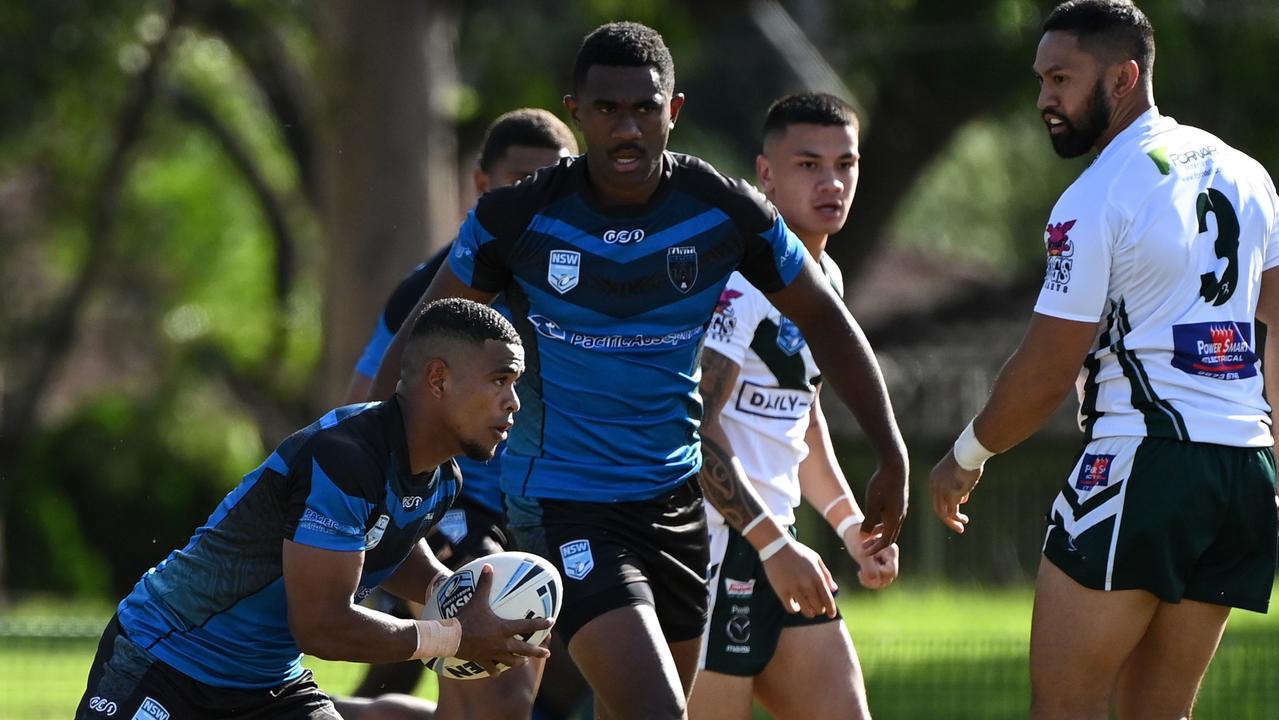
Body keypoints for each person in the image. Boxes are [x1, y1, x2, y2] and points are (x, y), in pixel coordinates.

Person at [368, 22, 909, 720]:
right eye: (606, 110)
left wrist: (890, 451)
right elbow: (419, 343)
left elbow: (826, 320)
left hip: (673, 503)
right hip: (562, 505)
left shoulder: (722, 211)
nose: (626, 127)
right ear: (576, 112)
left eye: (643, 108)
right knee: (657, 712)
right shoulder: (519, 217)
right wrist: (369, 473)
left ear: (672, 111)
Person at [928, 2, 1279, 719]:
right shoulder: (1250, 176)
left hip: (1146, 464)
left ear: (1122, 78)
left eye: (1060, 79)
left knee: (1063, 708)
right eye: (1040, 80)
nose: (1043, 101)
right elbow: (1274, 328)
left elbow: (1046, 372)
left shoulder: (1094, 197)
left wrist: (963, 456)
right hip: (1243, 470)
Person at [75, 299, 550, 720]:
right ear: (438, 379)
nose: (513, 403)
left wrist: (445, 588)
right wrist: (451, 636)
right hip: (167, 656)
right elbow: (321, 626)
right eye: (500, 380)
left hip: (268, 685)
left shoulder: (444, 478)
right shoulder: (345, 458)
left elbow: (390, 546)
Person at [337, 109, 589, 720]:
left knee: (545, 700)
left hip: (561, 515)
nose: (536, 198)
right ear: (481, 185)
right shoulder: (434, 285)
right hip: (458, 517)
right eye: (520, 181)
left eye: (552, 182)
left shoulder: (587, 277)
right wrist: (410, 512)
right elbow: (363, 402)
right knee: (493, 699)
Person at [689, 93, 900, 720]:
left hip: (778, 549)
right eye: (808, 164)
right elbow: (691, 432)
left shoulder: (823, 279)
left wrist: (850, 528)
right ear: (766, 173)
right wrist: (770, 545)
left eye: (845, 163)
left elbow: (801, 419)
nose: (832, 181)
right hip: (713, 552)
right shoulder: (739, 280)